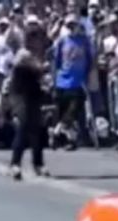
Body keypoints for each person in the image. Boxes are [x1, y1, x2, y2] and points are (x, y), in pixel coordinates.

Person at [52, 14, 93, 150]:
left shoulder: (84, 41)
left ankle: (57, 131)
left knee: (73, 111)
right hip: (62, 81)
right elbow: (57, 61)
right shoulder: (62, 41)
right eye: (69, 26)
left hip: (77, 82)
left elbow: (89, 60)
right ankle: (68, 141)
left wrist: (86, 77)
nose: (71, 28)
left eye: (73, 25)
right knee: (64, 112)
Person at [9, 51, 49, 180]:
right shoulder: (19, 70)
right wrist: (37, 66)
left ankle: (38, 164)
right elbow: (19, 88)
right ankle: (15, 164)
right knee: (22, 130)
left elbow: (39, 79)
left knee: (36, 133)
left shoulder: (33, 71)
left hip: (33, 100)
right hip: (22, 101)